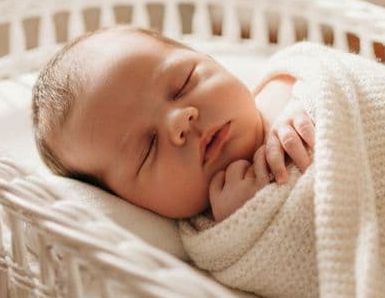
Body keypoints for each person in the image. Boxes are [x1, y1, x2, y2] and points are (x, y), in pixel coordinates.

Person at [32, 26, 314, 222]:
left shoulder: (289, 84)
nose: (180, 120)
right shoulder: (217, 236)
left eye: (183, 84)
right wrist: (251, 219)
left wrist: (304, 99)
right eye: (149, 147)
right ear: (130, 202)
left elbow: (325, 67)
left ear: (209, 58)